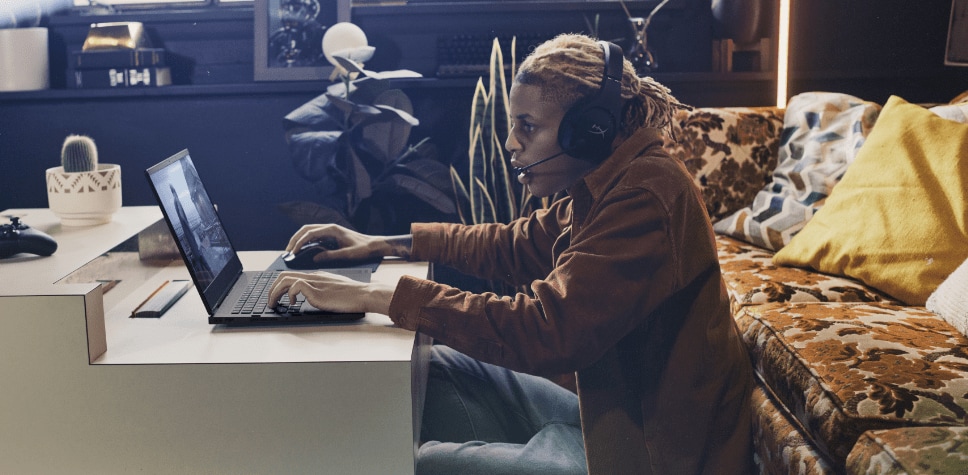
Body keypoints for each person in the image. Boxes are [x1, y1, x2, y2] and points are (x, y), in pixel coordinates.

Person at [269, 33, 754, 474]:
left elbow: (546, 330)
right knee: (434, 368)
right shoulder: (605, 182)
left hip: (648, 457)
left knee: (406, 463)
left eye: (527, 126)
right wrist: (382, 244)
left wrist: (379, 297)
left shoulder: (644, 197)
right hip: (604, 420)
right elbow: (515, 244)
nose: (510, 143)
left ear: (588, 130)